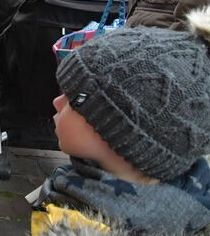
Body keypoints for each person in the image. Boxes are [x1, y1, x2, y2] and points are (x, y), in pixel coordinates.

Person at [31, 17, 210, 234]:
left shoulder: (84, 222)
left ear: (122, 137)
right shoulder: (191, 197)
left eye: (73, 99)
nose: (57, 103)